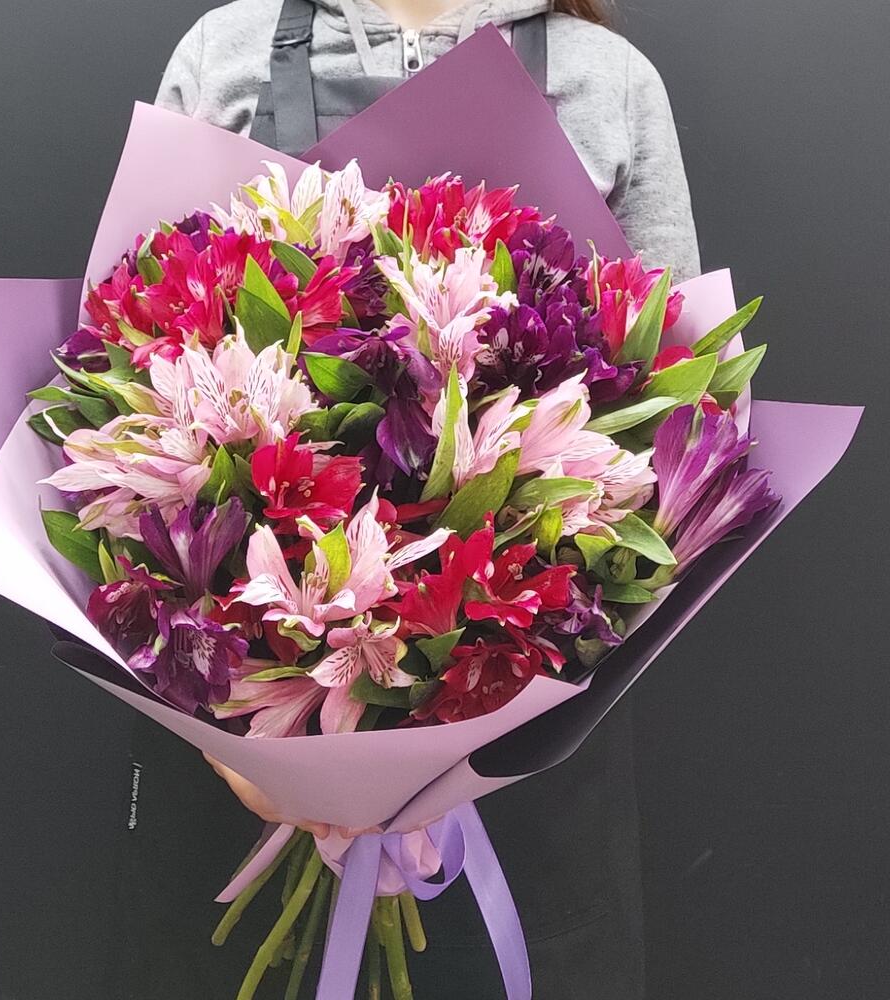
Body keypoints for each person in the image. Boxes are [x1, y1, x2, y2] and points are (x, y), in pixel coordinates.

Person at [154, 2, 700, 997]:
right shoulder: (224, 52)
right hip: (254, 773)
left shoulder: (610, 81)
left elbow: (674, 414)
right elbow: (153, 358)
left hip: (532, 762)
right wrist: (231, 741)